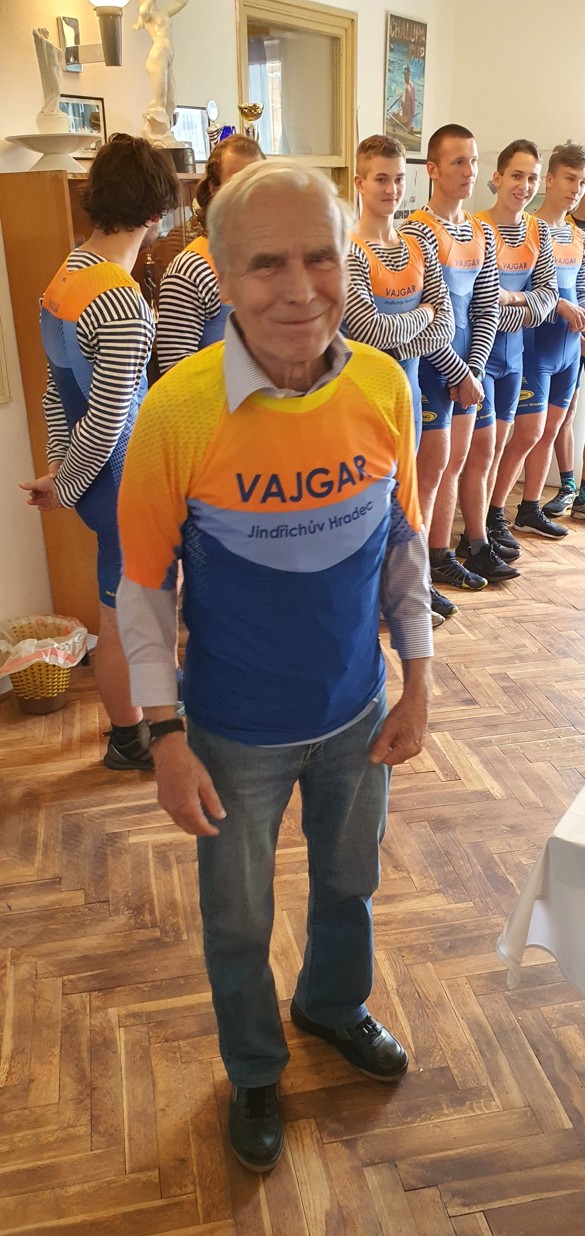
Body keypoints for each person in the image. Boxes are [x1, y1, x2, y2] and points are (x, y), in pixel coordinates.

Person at [116, 160, 433, 1172]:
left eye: (321, 258)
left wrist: (418, 680)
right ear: (221, 274)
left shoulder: (384, 386)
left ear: (348, 260)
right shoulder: (177, 412)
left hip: (357, 714)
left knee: (349, 884)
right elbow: (142, 591)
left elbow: (404, 545)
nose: (300, 291)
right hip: (232, 734)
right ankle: (254, 1068)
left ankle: (333, 1005)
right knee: (237, 920)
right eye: (266, 266)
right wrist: (164, 737)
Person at [19, 134, 179, 771]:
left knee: (124, 613)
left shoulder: (67, 275)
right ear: (156, 213)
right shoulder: (119, 299)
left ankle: (135, 726)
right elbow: (110, 418)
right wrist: (65, 484)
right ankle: (131, 739)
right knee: (129, 621)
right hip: (123, 483)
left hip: (97, 483)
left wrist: (62, 469)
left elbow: (56, 389)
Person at [402, 124, 518, 619]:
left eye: (472, 161)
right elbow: (428, 314)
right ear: (432, 169)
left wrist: (473, 369)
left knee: (457, 462)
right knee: (427, 475)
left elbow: (486, 306)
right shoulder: (416, 232)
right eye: (457, 162)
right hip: (433, 371)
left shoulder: (481, 232)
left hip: (468, 370)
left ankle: (441, 555)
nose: (469, 171)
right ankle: (415, 577)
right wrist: (455, 371)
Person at [343, 133, 455, 626]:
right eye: (381, 179)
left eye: (398, 179)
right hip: (363, 397)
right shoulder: (348, 249)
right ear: (360, 182)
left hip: (407, 394)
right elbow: (366, 332)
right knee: (368, 501)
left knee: (403, 497)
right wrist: (422, 315)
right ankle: (370, 600)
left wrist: (405, 331)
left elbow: (447, 324)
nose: (391, 190)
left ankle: (405, 592)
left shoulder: (418, 242)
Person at [489, 143, 585, 540]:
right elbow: (527, 289)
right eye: (569, 179)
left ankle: (529, 507)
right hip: (534, 345)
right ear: (549, 180)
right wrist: (558, 304)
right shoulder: (528, 228)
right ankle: (494, 510)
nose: (575, 189)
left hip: (569, 349)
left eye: (582, 183)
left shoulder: (576, 234)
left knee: (551, 429)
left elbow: (580, 287)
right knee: (528, 432)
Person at [473, 140, 558, 556]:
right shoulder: (476, 228)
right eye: (516, 176)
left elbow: (548, 299)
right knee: (482, 451)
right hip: (479, 355)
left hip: (515, 356)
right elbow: (476, 305)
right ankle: (471, 537)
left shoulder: (538, 231)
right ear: (497, 178)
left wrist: (511, 299)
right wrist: (523, 307)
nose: (524, 186)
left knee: (503, 445)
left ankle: (491, 521)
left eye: (532, 178)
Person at [157, 134, 264, 371]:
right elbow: (175, 375)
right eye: (237, 184)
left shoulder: (271, 261)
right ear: (214, 189)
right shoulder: (189, 270)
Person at [543, 191, 585, 518]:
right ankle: (568, 486)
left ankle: (582, 492)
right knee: (564, 413)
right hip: (566, 333)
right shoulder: (562, 226)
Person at [135, 0, 188, 141]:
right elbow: (143, 11)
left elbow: (183, 2)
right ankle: (158, 135)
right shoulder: (146, 15)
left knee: (172, 101)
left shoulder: (163, 12)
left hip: (168, 54)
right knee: (160, 103)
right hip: (158, 54)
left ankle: (165, 131)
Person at [392, 65, 415, 132]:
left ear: (409, 74)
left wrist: (401, 100)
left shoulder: (407, 88)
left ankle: (394, 132)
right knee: (396, 112)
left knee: (393, 114)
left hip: (406, 118)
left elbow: (405, 106)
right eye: (404, 74)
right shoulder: (412, 84)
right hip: (410, 119)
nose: (405, 76)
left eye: (406, 74)